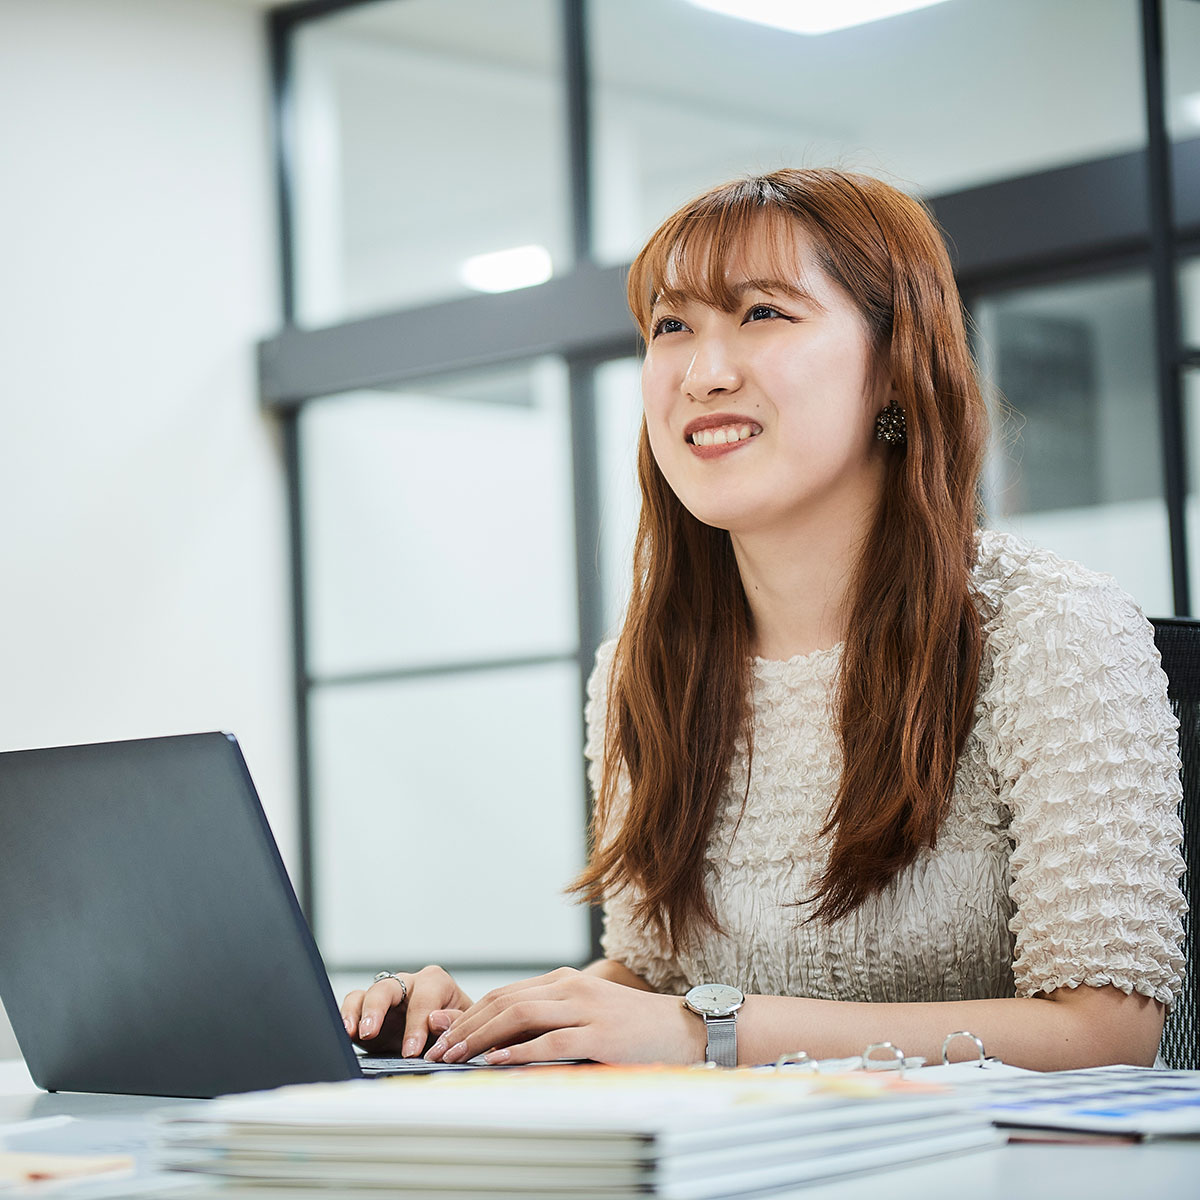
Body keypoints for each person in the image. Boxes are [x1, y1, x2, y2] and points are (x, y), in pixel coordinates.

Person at [341, 169, 1186, 1071]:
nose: (704, 373)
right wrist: (495, 1026)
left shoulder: (1050, 631)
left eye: (763, 315)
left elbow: (1104, 1033)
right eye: (673, 327)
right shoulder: (639, 668)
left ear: (897, 364)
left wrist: (710, 1030)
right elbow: (656, 980)